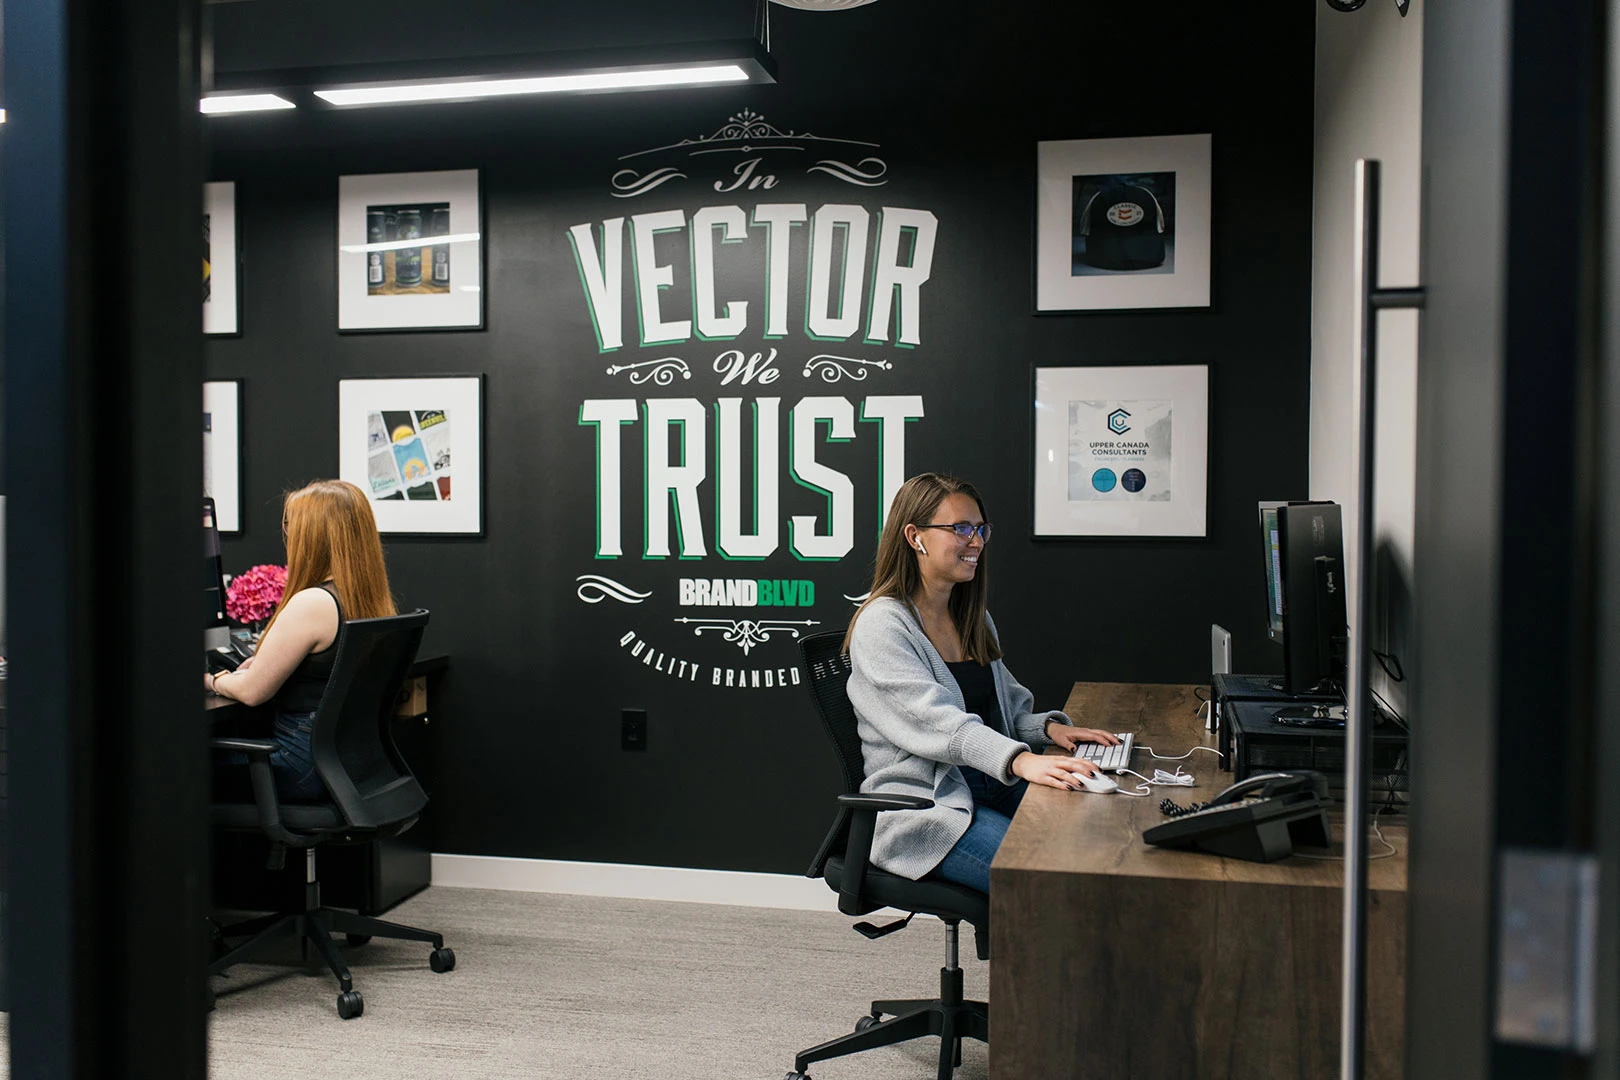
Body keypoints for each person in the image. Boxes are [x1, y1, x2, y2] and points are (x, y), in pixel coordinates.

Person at [843, 473, 1119, 894]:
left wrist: (1047, 729)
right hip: (927, 807)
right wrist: (1021, 761)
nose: (976, 541)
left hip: (989, 781)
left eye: (980, 529)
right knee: (1044, 877)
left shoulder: (969, 615)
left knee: (1095, 837)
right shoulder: (883, 625)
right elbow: (939, 723)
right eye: (960, 529)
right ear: (915, 537)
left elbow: (1000, 706)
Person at [207, 479, 398, 801]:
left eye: (290, 526)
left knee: (177, 768)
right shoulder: (366, 599)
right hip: (346, 769)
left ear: (310, 537)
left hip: (297, 769)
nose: (287, 534)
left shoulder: (312, 603)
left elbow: (253, 692)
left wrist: (214, 680)